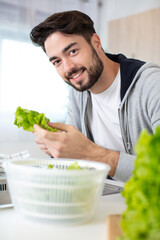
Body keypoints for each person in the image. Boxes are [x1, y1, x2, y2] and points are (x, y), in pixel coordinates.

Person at [30, 10, 160, 182]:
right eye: (57, 61)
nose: (68, 68)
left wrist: (90, 153)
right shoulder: (79, 92)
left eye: (73, 51)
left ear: (96, 43)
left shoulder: (151, 84)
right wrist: (60, 150)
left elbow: (87, 153)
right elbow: (77, 163)